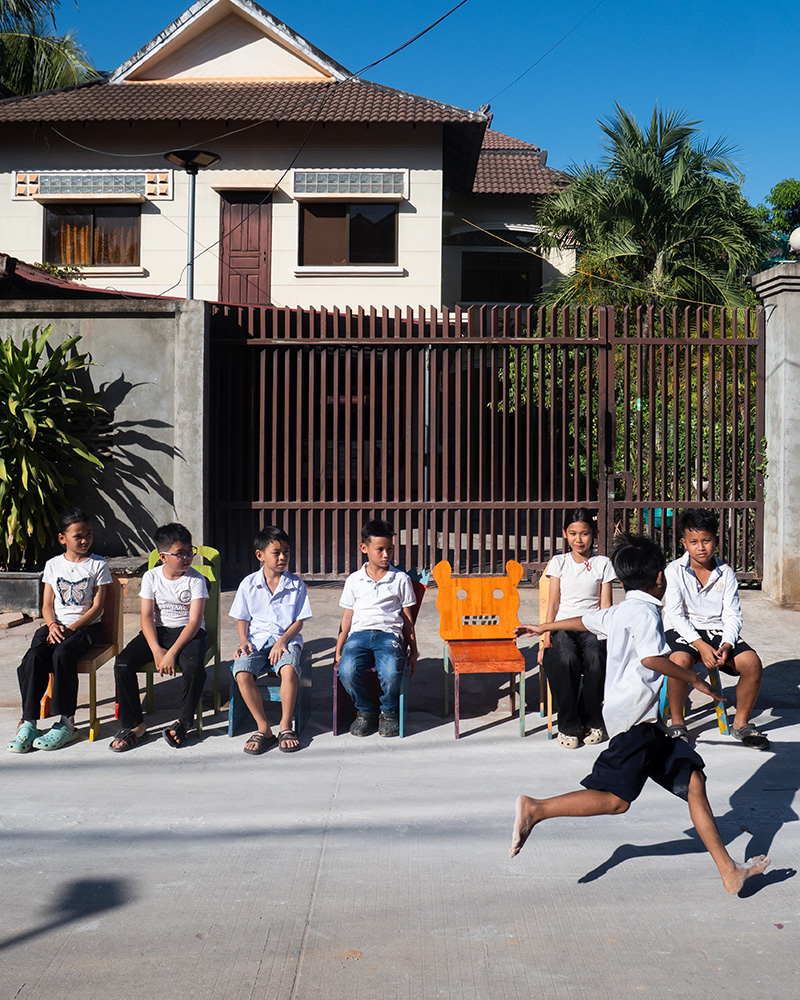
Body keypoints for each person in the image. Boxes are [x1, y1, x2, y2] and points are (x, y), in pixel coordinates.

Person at [510, 534, 770, 895]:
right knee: (616, 801)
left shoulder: (623, 609)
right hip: (636, 722)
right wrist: (695, 680)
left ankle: (729, 871)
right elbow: (651, 659)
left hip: (646, 724)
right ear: (660, 578)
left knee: (694, 780)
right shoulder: (645, 613)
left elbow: (586, 620)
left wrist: (544, 627)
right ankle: (536, 809)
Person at [7, 508, 112, 752]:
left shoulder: (98, 564)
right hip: (55, 626)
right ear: (62, 538)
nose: (85, 540)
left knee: (63, 654)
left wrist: (71, 628)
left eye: (89, 534)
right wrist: (53, 625)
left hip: (84, 628)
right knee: (33, 657)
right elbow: (46, 605)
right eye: (78, 536)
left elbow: (97, 608)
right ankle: (29, 722)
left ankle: (66, 723)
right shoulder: (53, 565)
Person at [663, 509, 769, 749]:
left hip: (717, 631)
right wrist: (700, 646)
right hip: (683, 630)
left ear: (716, 540)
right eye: (694, 542)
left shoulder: (726, 573)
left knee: (752, 663)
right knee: (679, 661)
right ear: (684, 543)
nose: (701, 548)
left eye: (706, 541)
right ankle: (678, 723)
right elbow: (675, 615)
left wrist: (727, 644)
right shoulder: (674, 570)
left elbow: (733, 614)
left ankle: (741, 724)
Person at [110, 523, 207, 751]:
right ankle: (135, 725)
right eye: (180, 553)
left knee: (194, 668)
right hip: (158, 632)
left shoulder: (196, 580)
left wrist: (171, 653)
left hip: (188, 633)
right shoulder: (151, 577)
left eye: (190, 551)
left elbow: (194, 622)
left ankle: (184, 723)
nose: (187, 557)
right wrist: (156, 649)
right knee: (122, 664)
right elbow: (146, 616)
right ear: (163, 556)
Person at [229, 526, 312, 754]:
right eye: (276, 553)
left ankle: (285, 725)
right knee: (241, 672)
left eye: (286, 552)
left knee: (288, 670)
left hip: (286, 639)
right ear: (260, 555)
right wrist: (243, 640)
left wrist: (282, 641)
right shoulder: (248, 584)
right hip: (256, 640)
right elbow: (242, 618)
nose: (283, 557)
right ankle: (264, 728)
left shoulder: (296, 584)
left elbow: (299, 621)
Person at [539, 507, 615, 748]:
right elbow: (553, 603)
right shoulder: (559, 562)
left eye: (584, 533)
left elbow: (605, 606)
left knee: (596, 657)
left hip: (592, 627)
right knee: (565, 658)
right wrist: (545, 639)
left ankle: (592, 719)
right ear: (565, 534)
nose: (578, 539)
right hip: (563, 626)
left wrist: (607, 637)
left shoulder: (603, 563)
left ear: (593, 535)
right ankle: (568, 725)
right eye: (573, 533)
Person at [335, 519, 418, 738]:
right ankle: (365, 710)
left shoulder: (400, 579)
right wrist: (339, 648)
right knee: (346, 671)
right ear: (364, 548)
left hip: (389, 636)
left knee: (390, 672)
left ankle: (388, 711)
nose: (386, 554)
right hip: (358, 636)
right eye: (380, 549)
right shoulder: (354, 580)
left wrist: (414, 650)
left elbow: (407, 618)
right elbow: (347, 617)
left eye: (389, 549)